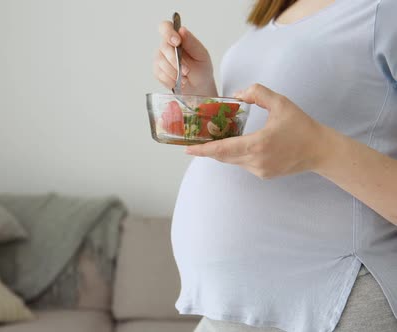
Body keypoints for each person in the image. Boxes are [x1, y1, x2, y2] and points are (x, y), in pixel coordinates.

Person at [152, 0, 397, 331]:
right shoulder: (274, 15)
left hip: (331, 306)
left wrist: (318, 148)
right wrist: (204, 96)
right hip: (226, 311)